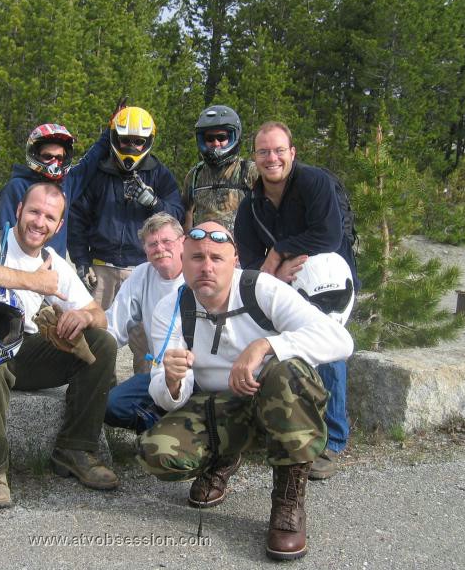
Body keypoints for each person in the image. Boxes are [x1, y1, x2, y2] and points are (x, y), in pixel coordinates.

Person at [137, 221, 353, 561]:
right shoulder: (171, 308)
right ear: (183, 259)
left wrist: (265, 345)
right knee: (158, 453)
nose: (206, 267)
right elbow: (166, 396)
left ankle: (288, 501)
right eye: (196, 258)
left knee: (288, 370)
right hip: (219, 405)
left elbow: (340, 340)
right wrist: (173, 380)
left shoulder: (261, 289)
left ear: (234, 260)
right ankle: (225, 455)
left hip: (274, 399)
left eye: (216, 258)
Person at [0, 182, 119, 509]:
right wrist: (33, 282)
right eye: (34, 211)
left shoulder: (53, 262)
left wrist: (83, 317)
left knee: (102, 344)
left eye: (50, 217)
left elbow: (100, 315)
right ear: (19, 211)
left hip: (20, 350)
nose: (39, 222)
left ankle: (75, 449)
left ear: (59, 225)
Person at [233, 120, 359, 480]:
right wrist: (273, 269)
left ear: (292, 153)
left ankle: (332, 440)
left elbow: (329, 234)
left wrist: (280, 253)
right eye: (263, 152)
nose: (271, 158)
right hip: (279, 287)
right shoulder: (250, 207)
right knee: (275, 349)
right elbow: (251, 260)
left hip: (329, 284)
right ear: (255, 157)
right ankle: (281, 425)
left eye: (277, 150)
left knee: (326, 346)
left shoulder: (314, 182)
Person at [68, 106, 184, 373]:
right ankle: (93, 392)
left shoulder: (160, 174)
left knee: (147, 343)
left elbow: (177, 216)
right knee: (96, 336)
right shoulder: (99, 173)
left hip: (143, 270)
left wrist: (154, 202)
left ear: (148, 141)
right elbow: (78, 218)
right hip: (101, 268)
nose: (131, 147)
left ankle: (145, 397)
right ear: (114, 138)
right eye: (125, 140)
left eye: (138, 141)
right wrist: (81, 260)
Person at [103, 213, 185, 431]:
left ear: (182, 242)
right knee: (111, 405)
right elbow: (114, 325)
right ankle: (161, 426)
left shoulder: (199, 272)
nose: (160, 248)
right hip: (162, 372)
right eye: (152, 244)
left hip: (200, 371)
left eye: (166, 241)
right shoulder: (141, 274)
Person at [0, 121, 111, 258]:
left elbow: (91, 160)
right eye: (48, 157)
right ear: (35, 155)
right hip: (20, 267)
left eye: (59, 158)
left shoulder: (67, 183)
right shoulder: (16, 187)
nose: (54, 162)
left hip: (54, 268)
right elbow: (2, 234)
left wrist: (110, 130)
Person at [182, 105, 257, 232]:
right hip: (204, 246)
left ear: (233, 137)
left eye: (222, 138)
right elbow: (186, 214)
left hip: (241, 248)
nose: (216, 143)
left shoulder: (249, 171)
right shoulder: (195, 175)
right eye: (209, 138)